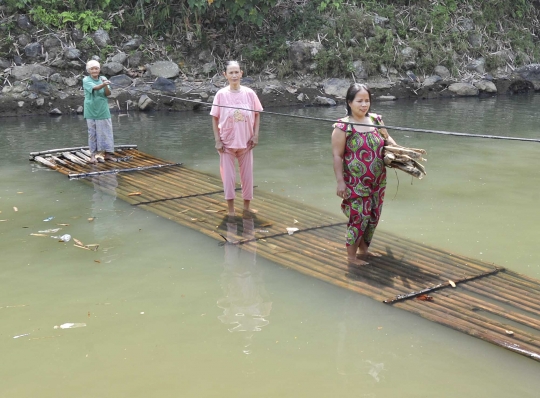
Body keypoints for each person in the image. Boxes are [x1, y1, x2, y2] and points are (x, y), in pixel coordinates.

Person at [331, 83, 397, 265]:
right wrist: (340, 182)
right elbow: (337, 156)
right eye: (359, 101)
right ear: (349, 102)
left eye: (367, 100)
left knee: (373, 216)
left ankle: (364, 251)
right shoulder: (343, 126)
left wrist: (399, 151)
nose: (364, 105)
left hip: (378, 180)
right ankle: (351, 258)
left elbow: (387, 139)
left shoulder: (376, 120)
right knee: (359, 217)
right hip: (355, 181)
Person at [210, 61, 263, 216]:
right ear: (225, 75)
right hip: (226, 144)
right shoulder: (221, 94)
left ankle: (246, 208)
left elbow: (257, 114)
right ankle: (231, 210)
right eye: (230, 73)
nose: (234, 75)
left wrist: (256, 135)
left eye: (236, 72)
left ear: (241, 73)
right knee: (228, 178)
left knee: (247, 177)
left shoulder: (249, 93)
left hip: (246, 143)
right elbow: (214, 117)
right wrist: (217, 140)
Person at [83, 60, 115, 164]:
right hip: (91, 110)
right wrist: (103, 84)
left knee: (107, 131)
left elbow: (108, 93)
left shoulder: (103, 78)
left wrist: (105, 85)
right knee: (92, 133)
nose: (94, 70)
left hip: (103, 109)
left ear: (99, 69)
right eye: (92, 69)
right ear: (89, 70)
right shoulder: (86, 80)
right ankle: (93, 156)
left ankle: (108, 154)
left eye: (96, 68)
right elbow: (95, 88)